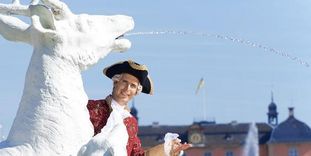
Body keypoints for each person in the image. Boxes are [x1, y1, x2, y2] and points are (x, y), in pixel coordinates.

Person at [79, 60, 191, 156]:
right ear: (115, 82)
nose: (127, 88)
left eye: (133, 86)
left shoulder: (130, 122)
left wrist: (166, 149)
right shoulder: (91, 107)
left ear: (136, 91)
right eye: (124, 82)